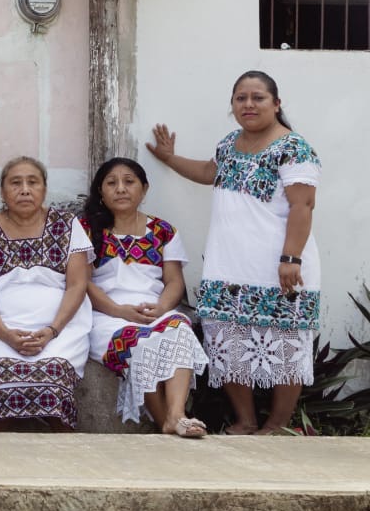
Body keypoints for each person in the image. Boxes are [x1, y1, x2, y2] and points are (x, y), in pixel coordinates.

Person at [146, 70, 320, 435]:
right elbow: (210, 171)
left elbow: (303, 206)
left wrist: (291, 258)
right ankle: (245, 420)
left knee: (287, 347)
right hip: (228, 266)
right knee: (228, 344)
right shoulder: (229, 144)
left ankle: (275, 425)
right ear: (233, 106)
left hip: (279, 267)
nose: (249, 104)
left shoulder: (294, 148)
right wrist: (169, 159)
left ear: (276, 103)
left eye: (258, 97)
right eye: (241, 98)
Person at [82, 157, 209, 437]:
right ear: (100, 191)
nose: (121, 189)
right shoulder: (87, 229)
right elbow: (82, 283)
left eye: (129, 182)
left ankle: (177, 415)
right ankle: (168, 421)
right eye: (111, 183)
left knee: (179, 329)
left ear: (144, 189)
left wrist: (161, 308)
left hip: (154, 311)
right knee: (138, 342)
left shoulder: (163, 231)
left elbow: (174, 281)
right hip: (105, 317)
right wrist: (119, 311)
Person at [0, 156, 93, 432]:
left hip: (60, 329)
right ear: (2, 192)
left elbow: (77, 284)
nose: (24, 189)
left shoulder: (66, 223)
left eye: (32, 182)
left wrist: (52, 330)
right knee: (3, 380)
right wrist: (5, 334)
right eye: (15, 183)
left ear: (44, 189)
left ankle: (65, 462)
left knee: (54, 377)